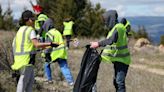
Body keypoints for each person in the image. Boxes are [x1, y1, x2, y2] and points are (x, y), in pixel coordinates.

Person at [11, 10, 58, 92]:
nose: (34, 21)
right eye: (32, 19)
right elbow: (36, 44)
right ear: (28, 20)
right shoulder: (30, 30)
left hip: (20, 60)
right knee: (24, 82)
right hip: (27, 60)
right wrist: (50, 44)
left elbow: (17, 45)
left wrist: (40, 48)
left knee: (29, 82)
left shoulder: (20, 30)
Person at [90, 11, 131, 92]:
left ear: (110, 19)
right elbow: (110, 45)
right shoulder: (114, 29)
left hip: (123, 60)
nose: (105, 23)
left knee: (119, 82)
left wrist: (98, 44)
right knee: (116, 82)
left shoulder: (118, 28)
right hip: (118, 59)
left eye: (106, 20)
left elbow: (110, 41)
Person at [42, 18, 74, 85]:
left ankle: (49, 79)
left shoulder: (49, 33)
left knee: (46, 64)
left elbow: (48, 45)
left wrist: (46, 53)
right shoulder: (57, 31)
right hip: (61, 52)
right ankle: (71, 82)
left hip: (54, 53)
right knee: (64, 67)